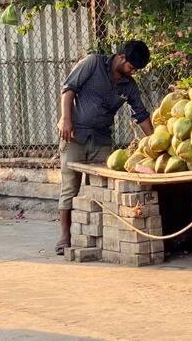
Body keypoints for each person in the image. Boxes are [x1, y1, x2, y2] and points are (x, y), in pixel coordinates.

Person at [55, 40, 153, 255]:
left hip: (102, 139)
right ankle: (64, 237)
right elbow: (68, 89)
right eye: (131, 67)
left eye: (137, 70)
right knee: (70, 187)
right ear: (121, 57)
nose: (133, 72)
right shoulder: (93, 63)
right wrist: (66, 119)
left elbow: (141, 115)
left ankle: (100, 236)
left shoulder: (129, 85)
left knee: (103, 189)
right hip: (75, 134)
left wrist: (155, 144)